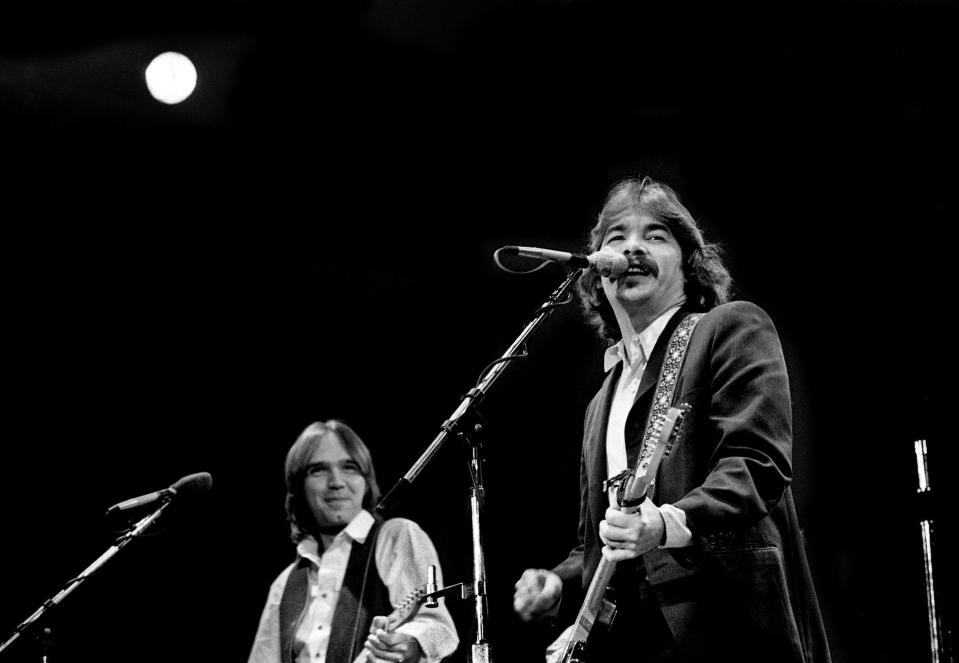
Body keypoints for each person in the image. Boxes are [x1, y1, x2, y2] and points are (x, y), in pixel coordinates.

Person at [512, 176, 831, 662]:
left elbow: (755, 465)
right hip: (633, 639)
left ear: (689, 262)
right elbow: (603, 537)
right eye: (616, 237)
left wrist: (666, 523)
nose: (632, 248)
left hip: (728, 625)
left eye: (655, 236)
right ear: (597, 270)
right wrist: (557, 581)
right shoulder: (603, 400)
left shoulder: (728, 328)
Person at [248, 420, 459, 663]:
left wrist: (411, 643)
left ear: (365, 480)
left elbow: (439, 627)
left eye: (349, 467)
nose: (336, 482)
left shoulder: (395, 536)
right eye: (318, 470)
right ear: (299, 487)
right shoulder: (284, 584)